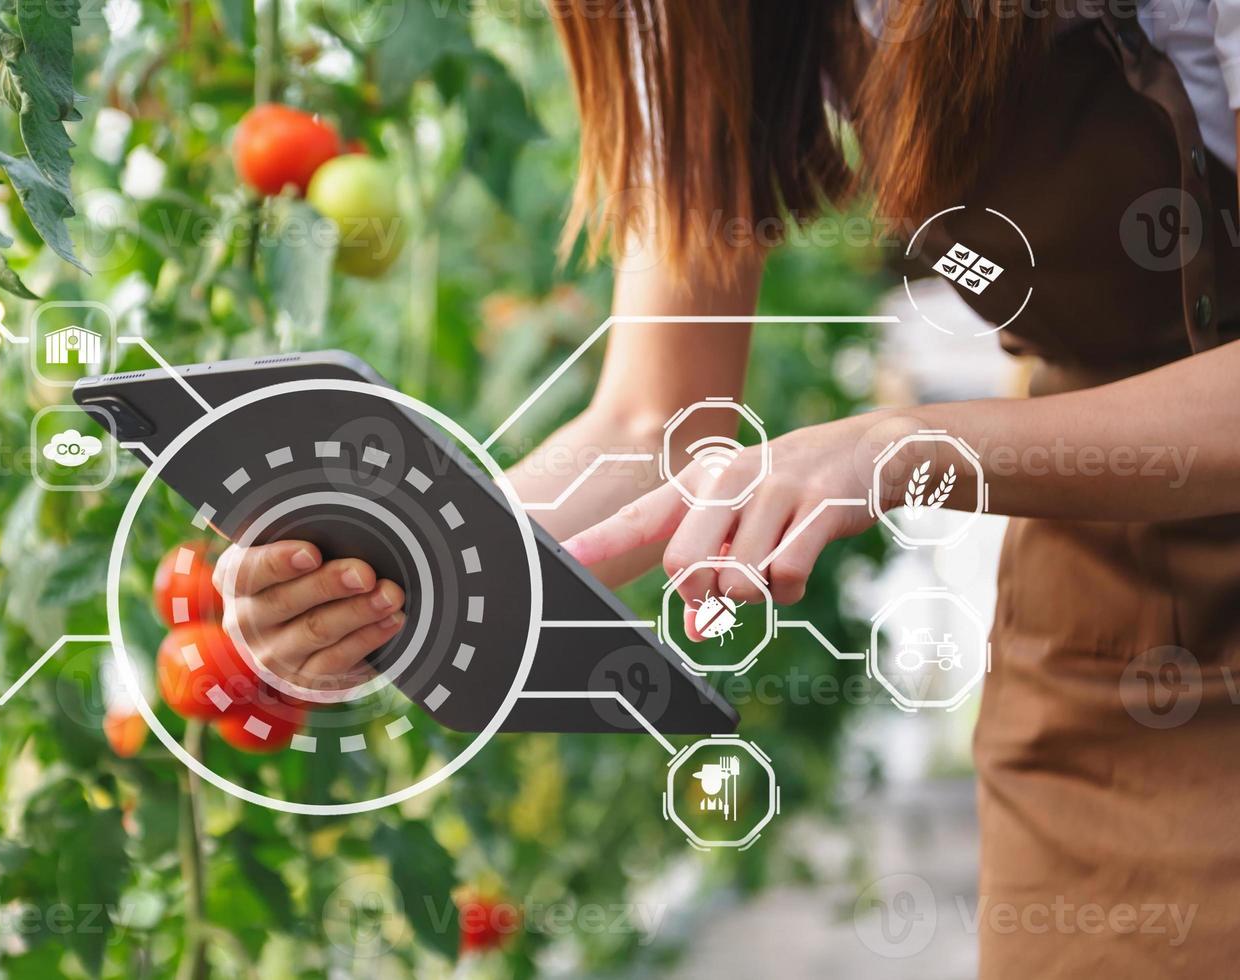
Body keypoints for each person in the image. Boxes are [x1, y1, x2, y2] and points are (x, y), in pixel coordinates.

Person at [217, 2, 1240, 973]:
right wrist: (395, 563)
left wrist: (903, 442)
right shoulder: (697, 19)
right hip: (1120, 607)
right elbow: (652, 421)